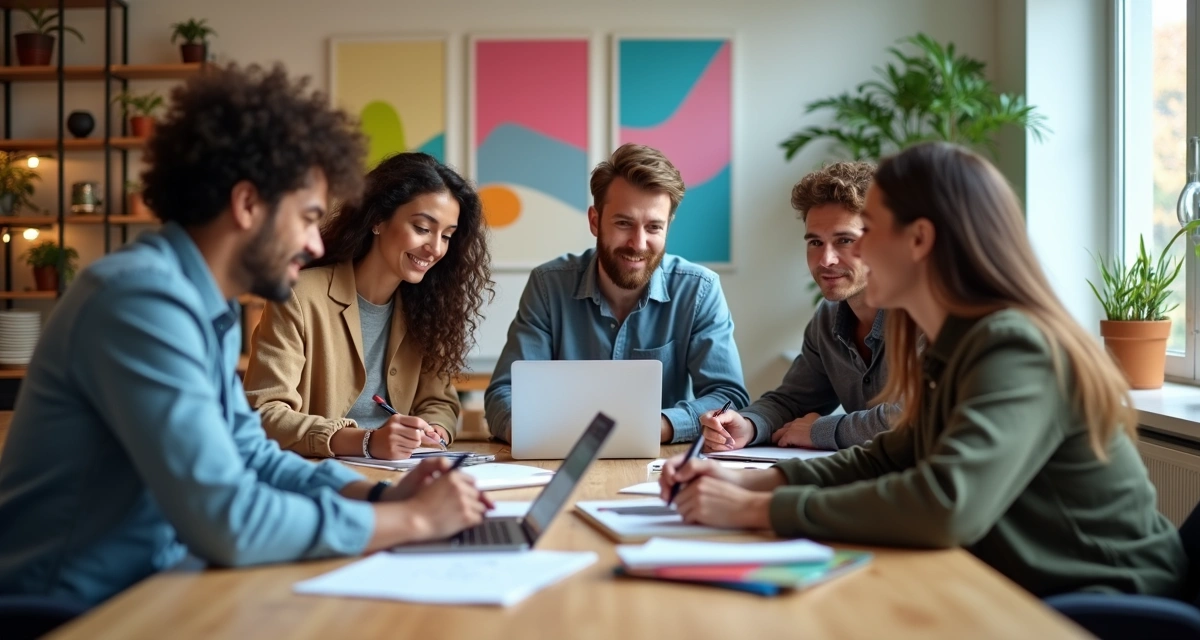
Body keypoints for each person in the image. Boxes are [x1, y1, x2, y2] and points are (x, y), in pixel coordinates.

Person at [0, 64, 491, 607]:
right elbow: (229, 520)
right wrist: (409, 520)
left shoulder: (194, 302)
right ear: (247, 204)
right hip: (70, 609)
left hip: (151, 582)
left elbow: (252, 452)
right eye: (307, 217)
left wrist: (377, 494)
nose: (312, 243)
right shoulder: (141, 302)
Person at [659, 142, 1185, 597]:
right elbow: (886, 458)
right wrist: (752, 483)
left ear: (919, 240)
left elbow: (945, 503)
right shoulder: (956, 343)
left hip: (1104, 598)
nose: (846, 254)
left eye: (869, 231)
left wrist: (756, 512)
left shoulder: (1014, 346)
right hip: (1020, 583)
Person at [485, 143, 749, 444]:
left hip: (663, 465)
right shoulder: (548, 286)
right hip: (557, 456)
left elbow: (729, 397)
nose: (638, 243)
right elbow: (503, 394)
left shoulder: (699, 290)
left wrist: (655, 426)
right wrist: (532, 431)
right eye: (624, 223)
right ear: (595, 221)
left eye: (653, 227)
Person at [244, 152, 492, 461]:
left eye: (447, 236)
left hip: (404, 471)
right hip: (318, 473)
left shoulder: (430, 309)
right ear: (377, 220)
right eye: (422, 228)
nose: (436, 248)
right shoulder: (299, 296)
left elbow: (439, 403)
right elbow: (264, 412)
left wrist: (431, 431)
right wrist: (366, 441)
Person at [701, 161, 890, 453]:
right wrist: (748, 425)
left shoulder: (925, 313)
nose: (825, 260)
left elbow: (915, 418)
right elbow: (794, 401)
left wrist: (821, 431)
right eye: (815, 242)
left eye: (844, 240)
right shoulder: (828, 320)